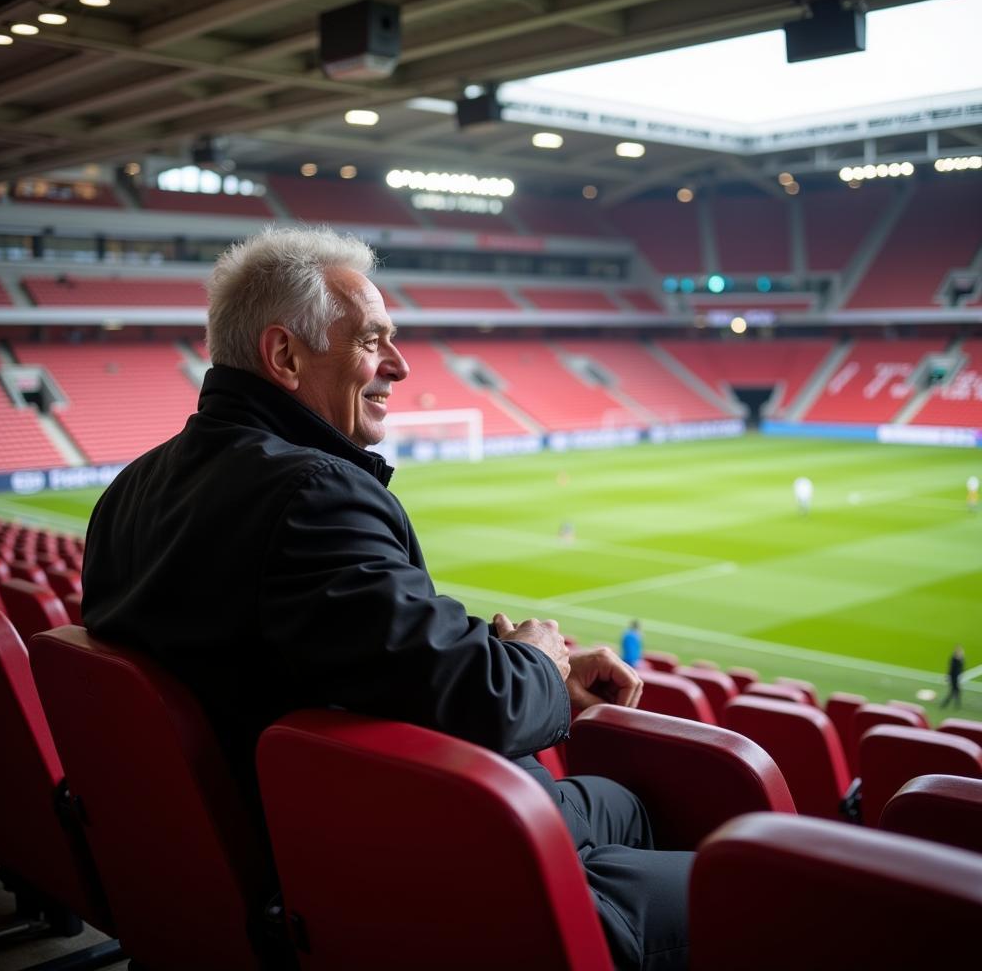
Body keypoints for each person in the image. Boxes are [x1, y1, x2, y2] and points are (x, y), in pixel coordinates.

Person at [81, 227, 691, 971]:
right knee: (714, 863)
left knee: (618, 804)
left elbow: (355, 638)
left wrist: (516, 661)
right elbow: (483, 705)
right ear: (285, 356)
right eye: (374, 340)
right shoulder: (311, 493)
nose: (400, 366)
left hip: (215, 858)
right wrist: (535, 660)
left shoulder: (128, 490)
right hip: (353, 868)